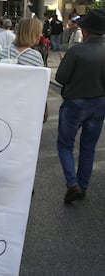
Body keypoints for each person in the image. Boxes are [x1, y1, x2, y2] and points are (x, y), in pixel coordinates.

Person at [55, 9, 105, 203]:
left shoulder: (77, 50)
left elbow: (61, 77)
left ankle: (73, 183)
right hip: (99, 103)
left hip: (75, 103)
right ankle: (82, 185)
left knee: (65, 144)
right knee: (88, 147)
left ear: (85, 31)